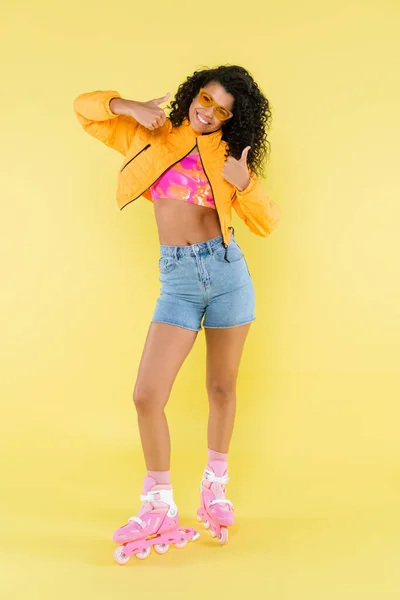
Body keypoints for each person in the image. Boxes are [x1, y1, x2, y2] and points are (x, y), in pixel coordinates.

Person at [73, 65, 281, 562]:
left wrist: (245, 182)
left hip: (228, 273)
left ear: (234, 120)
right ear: (194, 94)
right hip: (180, 282)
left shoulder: (230, 157)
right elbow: (85, 110)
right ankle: (159, 504)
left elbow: (267, 223)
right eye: (205, 99)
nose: (207, 113)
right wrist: (128, 107)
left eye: (221, 110)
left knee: (222, 388)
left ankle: (215, 488)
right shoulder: (154, 134)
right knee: (147, 395)